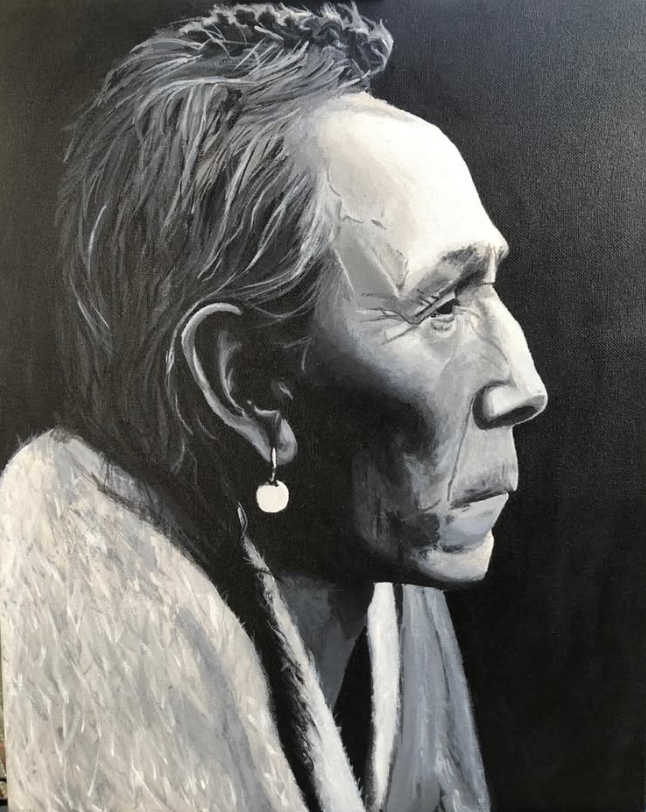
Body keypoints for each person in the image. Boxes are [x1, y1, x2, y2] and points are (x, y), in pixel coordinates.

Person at [0, 4, 547, 811]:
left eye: (487, 287)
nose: (525, 385)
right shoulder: (62, 618)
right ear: (248, 387)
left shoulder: (385, 577)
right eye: (441, 307)